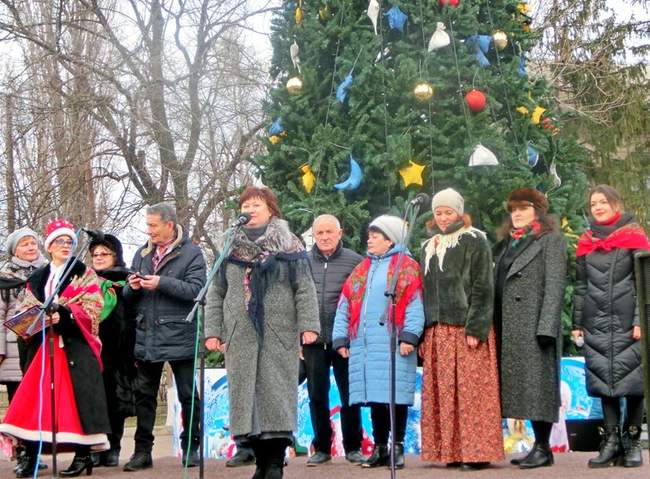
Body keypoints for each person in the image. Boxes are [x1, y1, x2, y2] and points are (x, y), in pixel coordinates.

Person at [204, 186, 320, 479]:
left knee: (276, 397)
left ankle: (275, 461)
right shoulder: (228, 247)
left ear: (271, 209)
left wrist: (309, 326)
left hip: (278, 333)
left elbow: (304, 289)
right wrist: (213, 330)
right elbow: (216, 292)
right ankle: (259, 461)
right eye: (245, 205)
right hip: (240, 334)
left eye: (256, 204)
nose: (250, 210)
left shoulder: (290, 246)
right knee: (247, 400)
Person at [0, 219, 110, 478]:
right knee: (33, 398)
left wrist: (67, 314)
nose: (65, 245)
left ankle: (83, 455)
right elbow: (25, 309)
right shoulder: (38, 278)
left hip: (73, 346)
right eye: (60, 241)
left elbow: (94, 307)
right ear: (49, 246)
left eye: (69, 241)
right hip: (44, 346)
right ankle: (30, 452)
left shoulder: (83, 272)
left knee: (74, 399)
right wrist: (38, 318)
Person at [419, 189, 504, 470]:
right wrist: (424, 332)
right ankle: (452, 451)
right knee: (445, 394)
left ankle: (477, 453)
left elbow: (483, 286)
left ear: (459, 212)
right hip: (438, 331)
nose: (443, 218)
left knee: (471, 394)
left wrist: (476, 327)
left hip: (465, 328)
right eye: (438, 212)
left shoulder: (474, 240)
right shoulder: (428, 246)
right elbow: (425, 292)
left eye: (448, 212)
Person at [332, 215, 424, 469]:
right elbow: (345, 305)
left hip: (393, 343)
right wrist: (341, 337)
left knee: (395, 396)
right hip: (365, 344)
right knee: (375, 397)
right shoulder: (362, 269)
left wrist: (409, 336)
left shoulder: (406, 266)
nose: (369, 239)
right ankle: (381, 446)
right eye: (370, 235)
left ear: (390, 239)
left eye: (375, 235)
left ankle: (398, 447)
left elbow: (415, 303)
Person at [122, 203, 206, 472]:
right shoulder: (142, 253)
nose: (149, 231)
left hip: (180, 332)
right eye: (147, 226)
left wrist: (161, 282)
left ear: (169, 225)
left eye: (153, 226)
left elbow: (197, 290)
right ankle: (142, 451)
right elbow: (128, 298)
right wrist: (132, 288)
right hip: (147, 333)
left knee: (187, 394)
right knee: (144, 395)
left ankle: (191, 447)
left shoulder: (192, 253)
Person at [572, 185, 650, 468]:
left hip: (629, 321)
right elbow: (581, 285)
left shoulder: (635, 236)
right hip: (597, 321)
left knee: (634, 383)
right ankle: (611, 441)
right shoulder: (586, 241)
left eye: (603, 202)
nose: (598, 207)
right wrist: (577, 322)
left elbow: (645, 281)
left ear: (615, 204)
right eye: (593, 204)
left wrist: (642, 320)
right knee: (604, 381)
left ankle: (631, 441)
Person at [493, 188, 567, 469]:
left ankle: (543, 447)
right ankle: (538, 447)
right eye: (513, 210)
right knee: (523, 387)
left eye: (523, 208)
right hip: (508, 324)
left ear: (537, 210)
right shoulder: (507, 244)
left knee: (538, 387)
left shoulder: (550, 241)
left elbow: (555, 285)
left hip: (536, 326)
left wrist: (547, 326)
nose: (517, 214)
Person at [304, 214, 364, 466]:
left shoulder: (355, 261)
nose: (325, 237)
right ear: (314, 236)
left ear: (340, 233)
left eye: (330, 232)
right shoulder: (302, 262)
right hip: (313, 341)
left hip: (344, 341)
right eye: (320, 233)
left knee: (349, 394)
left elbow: (362, 301)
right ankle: (322, 448)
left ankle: (353, 447)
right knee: (317, 395)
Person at [0, 228, 48, 474]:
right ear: (14, 250)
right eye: (25, 244)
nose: (31, 248)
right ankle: (22, 454)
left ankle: (37, 452)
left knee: (41, 403)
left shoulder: (49, 272)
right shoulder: (5, 276)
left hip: (42, 343)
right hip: (13, 347)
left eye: (33, 243)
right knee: (20, 403)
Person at [89, 233, 136, 468]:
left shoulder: (126, 280)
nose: (99, 257)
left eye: (104, 253)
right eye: (95, 254)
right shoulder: (85, 281)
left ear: (115, 255)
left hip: (120, 348)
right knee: (94, 399)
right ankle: (96, 447)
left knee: (115, 399)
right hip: (91, 348)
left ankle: (113, 447)